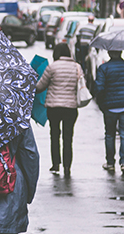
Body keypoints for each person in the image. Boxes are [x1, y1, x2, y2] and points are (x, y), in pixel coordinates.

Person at [35, 43, 82, 177]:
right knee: (68, 138)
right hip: (70, 108)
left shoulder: (52, 67)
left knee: (54, 135)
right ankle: (67, 167)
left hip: (54, 107)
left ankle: (56, 165)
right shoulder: (76, 67)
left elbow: (40, 87)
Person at [95, 50, 124, 175]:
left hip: (110, 107)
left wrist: (101, 103)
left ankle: (110, 163)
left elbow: (99, 88)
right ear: (121, 52)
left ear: (109, 53)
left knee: (110, 134)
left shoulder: (103, 68)